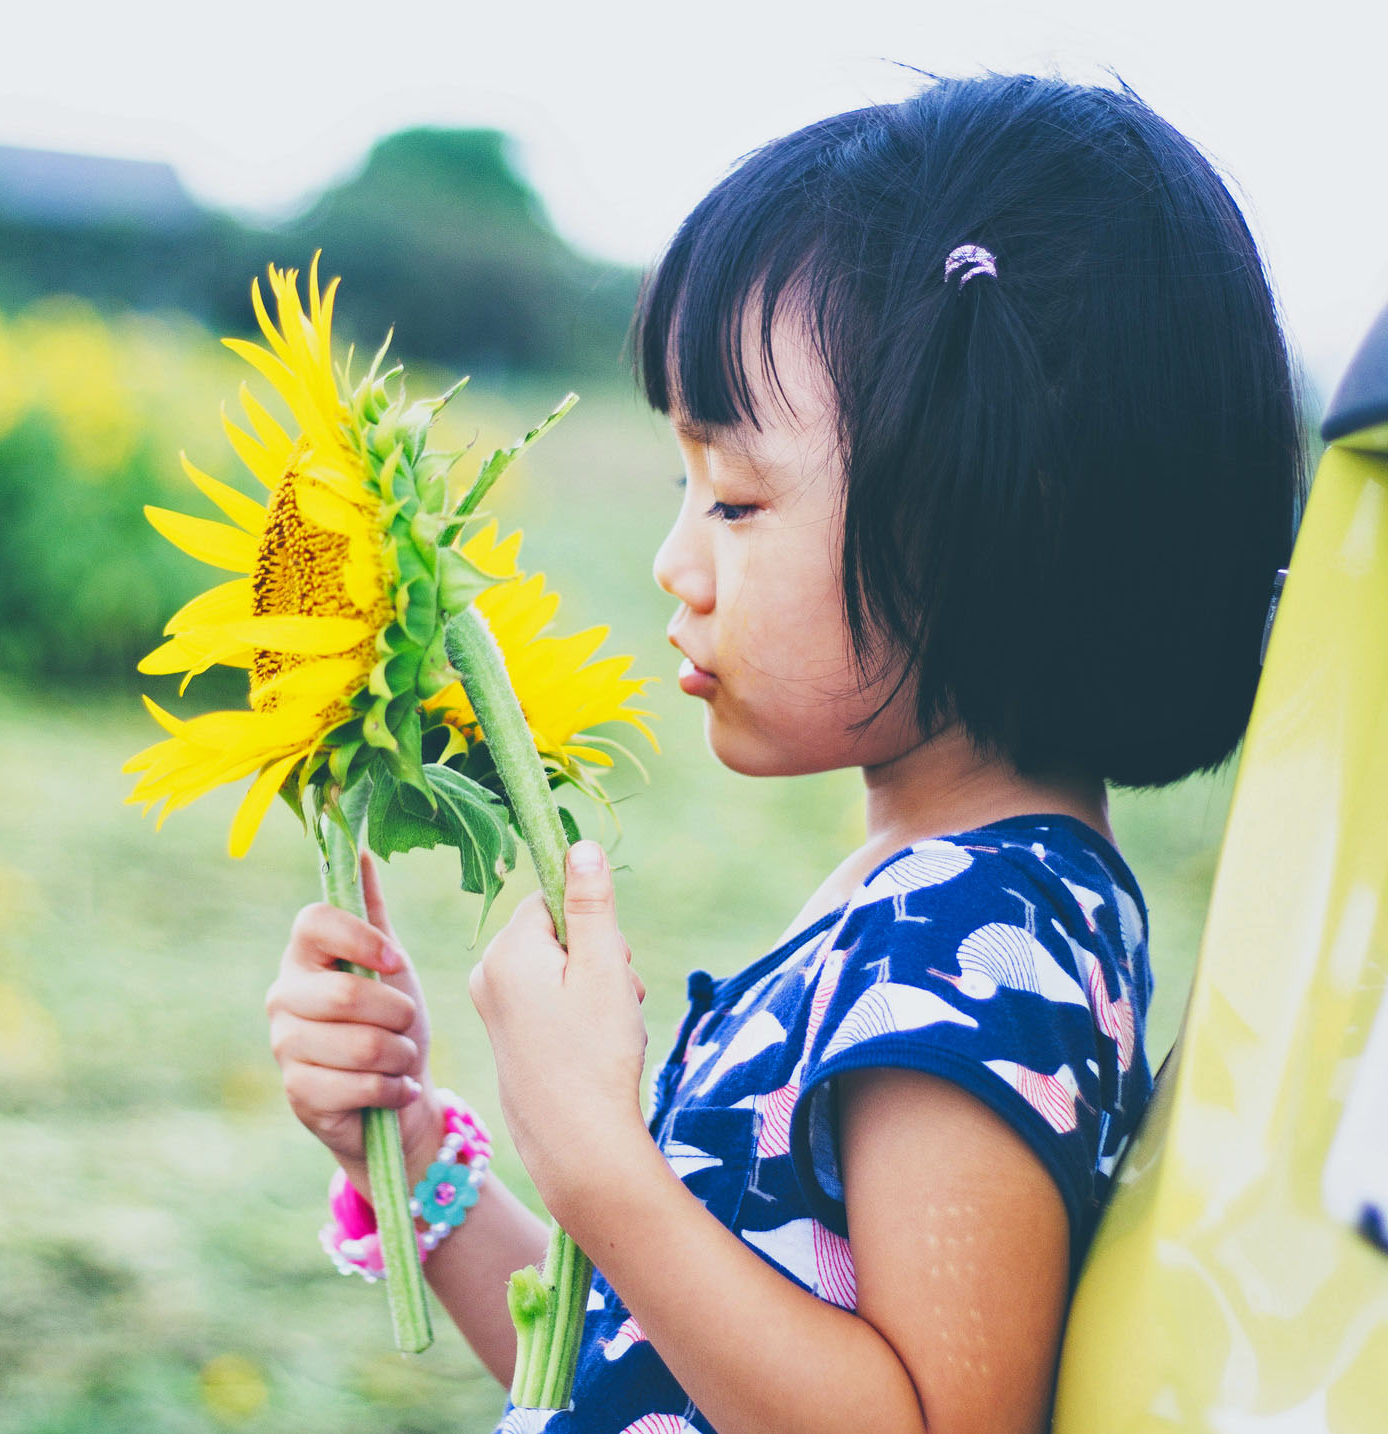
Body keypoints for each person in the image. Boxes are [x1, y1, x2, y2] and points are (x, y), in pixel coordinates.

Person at [265, 70, 1304, 1434]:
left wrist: (596, 1157)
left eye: (738, 497)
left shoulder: (984, 939)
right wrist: (412, 1153)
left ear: (994, 514)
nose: (674, 561)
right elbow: (654, 1363)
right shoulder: (929, 897)